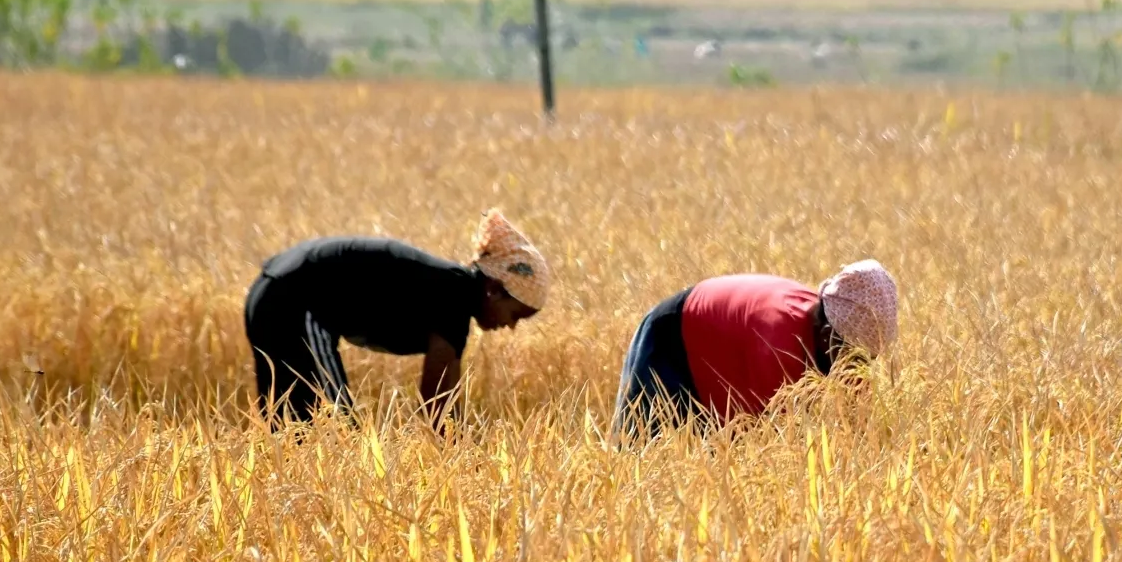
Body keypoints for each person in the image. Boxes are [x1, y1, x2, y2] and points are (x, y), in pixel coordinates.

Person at [244, 209, 550, 427]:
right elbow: (438, 405)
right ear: (494, 290)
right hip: (294, 302)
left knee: (290, 429)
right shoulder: (454, 297)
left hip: (270, 292)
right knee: (335, 431)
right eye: (516, 315)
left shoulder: (453, 288)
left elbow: (443, 397)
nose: (510, 327)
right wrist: (464, 463)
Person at [614, 260, 898, 440]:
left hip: (723, 351)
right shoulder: (779, 345)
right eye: (853, 355)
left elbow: (860, 429)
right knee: (642, 453)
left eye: (867, 359)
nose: (858, 368)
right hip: (671, 337)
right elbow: (760, 444)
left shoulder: (841, 346)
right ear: (827, 335)